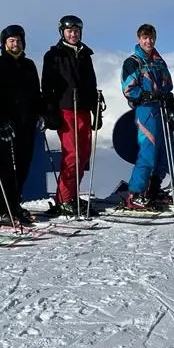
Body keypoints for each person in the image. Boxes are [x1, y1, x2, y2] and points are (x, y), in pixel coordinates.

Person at [41, 15, 102, 217]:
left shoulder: (85, 55)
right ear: (62, 32)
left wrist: (96, 110)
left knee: (83, 155)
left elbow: (91, 84)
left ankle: (70, 195)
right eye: (69, 31)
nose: (73, 34)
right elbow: (48, 86)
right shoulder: (54, 55)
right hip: (66, 108)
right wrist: (50, 111)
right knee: (72, 154)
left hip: (83, 108)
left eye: (76, 31)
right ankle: (65, 198)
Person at [0, 24, 42, 226]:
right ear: (4, 43)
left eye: (18, 40)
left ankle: (14, 205)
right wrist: (0, 120)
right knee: (6, 167)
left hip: (27, 123)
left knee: (23, 167)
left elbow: (36, 93)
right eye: (11, 40)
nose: (15, 44)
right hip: (7, 124)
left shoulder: (29, 65)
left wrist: (40, 114)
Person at [121, 23, 173, 209]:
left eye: (151, 38)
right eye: (145, 38)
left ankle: (153, 188)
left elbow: (168, 83)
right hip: (145, 110)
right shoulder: (133, 62)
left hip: (161, 108)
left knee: (163, 151)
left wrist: (167, 97)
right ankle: (136, 192)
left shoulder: (159, 61)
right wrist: (146, 95)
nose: (148, 41)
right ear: (138, 39)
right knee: (148, 152)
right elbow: (128, 89)